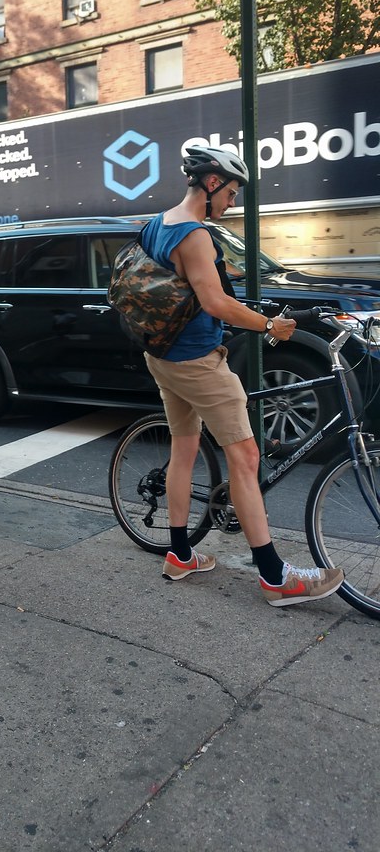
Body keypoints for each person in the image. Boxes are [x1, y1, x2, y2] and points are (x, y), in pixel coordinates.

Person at [140, 145, 344, 607]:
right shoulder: (195, 234)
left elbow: (184, 286)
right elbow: (215, 303)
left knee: (184, 448)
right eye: (231, 192)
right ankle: (275, 577)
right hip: (197, 362)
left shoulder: (159, 222)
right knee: (246, 457)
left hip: (163, 355)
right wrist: (271, 325)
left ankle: (179, 555)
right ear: (211, 184)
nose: (232, 202)